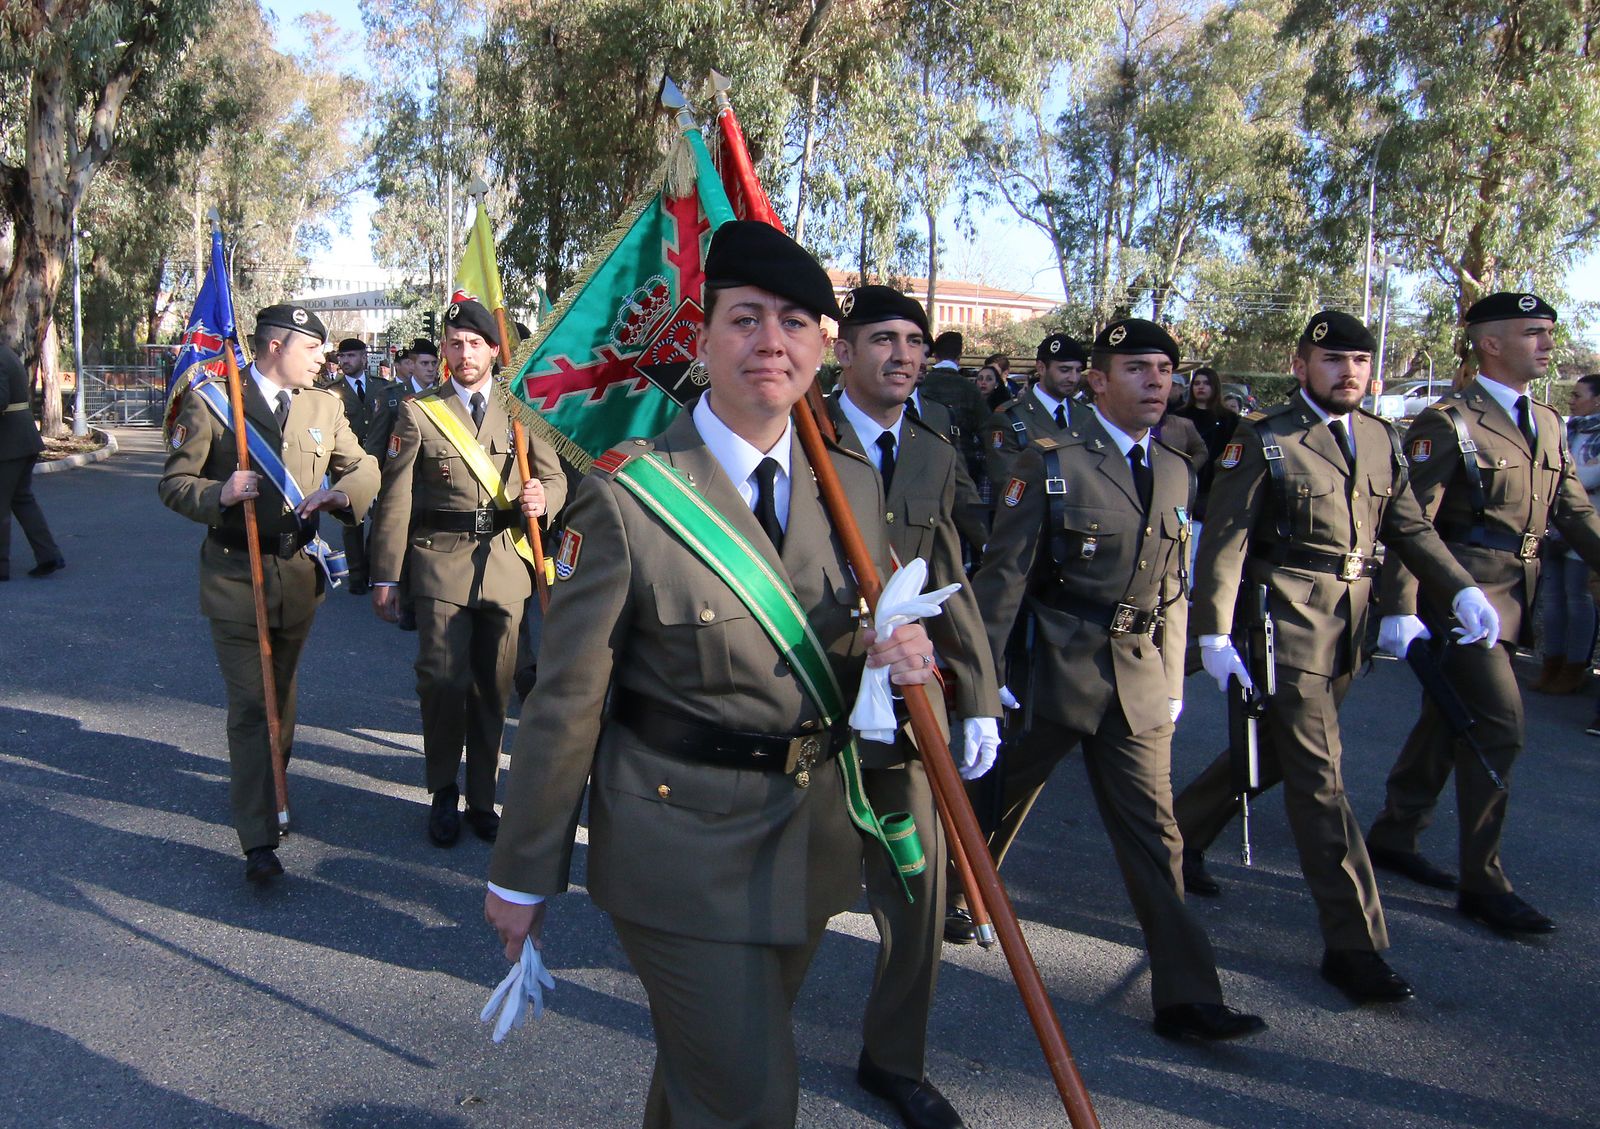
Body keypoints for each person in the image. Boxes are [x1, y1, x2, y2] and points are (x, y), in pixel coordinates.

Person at [483, 221, 939, 1129]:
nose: (772, 340)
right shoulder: (627, 493)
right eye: (745, 318)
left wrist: (903, 662)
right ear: (700, 340)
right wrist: (523, 871)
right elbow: (567, 698)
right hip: (679, 847)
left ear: (821, 348)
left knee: (703, 1083)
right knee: (751, 1101)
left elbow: (857, 647)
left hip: (808, 842)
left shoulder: (848, 488)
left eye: (796, 323)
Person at [957, 317, 1264, 1041]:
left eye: (1165, 368)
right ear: (1098, 379)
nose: (1159, 381)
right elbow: (1004, 580)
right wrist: (984, 678)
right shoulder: (1051, 461)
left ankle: (1188, 996)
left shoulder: (1177, 467)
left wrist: (1178, 670)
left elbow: (1174, 586)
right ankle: (945, 890)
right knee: (991, 799)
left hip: (1139, 674)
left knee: (1158, 838)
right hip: (1058, 669)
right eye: (1138, 368)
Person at [1175, 311, 1494, 1003]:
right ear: (1300, 365)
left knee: (1281, 749)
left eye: (1358, 359)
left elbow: (1408, 526)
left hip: (1347, 625)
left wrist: (1460, 589)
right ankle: (1355, 943)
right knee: (1320, 780)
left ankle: (1179, 834)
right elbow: (1226, 539)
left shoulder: (1381, 437)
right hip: (1284, 621)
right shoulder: (1264, 440)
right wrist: (1212, 633)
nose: (1348, 370)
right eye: (1331, 358)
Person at [1367, 292, 1600, 936]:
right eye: (1535, 333)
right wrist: (1401, 607)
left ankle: (1394, 830)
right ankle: (1484, 881)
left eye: (1550, 332)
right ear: (1490, 343)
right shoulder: (1450, 421)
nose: (1549, 343)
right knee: (1499, 727)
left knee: (1449, 719)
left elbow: (1573, 510)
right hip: (1462, 595)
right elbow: (1412, 521)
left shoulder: (1547, 422)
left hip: (1516, 594)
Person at [830, 285, 1000, 1129]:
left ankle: (892, 1057)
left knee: (919, 884)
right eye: (883, 339)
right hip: (811, 697)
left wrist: (978, 693)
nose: (903, 354)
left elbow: (949, 576)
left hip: (904, 706)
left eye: (914, 342)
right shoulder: (800, 439)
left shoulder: (932, 445)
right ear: (844, 351)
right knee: (788, 881)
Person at [159, 303, 379, 882]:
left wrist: (340, 495)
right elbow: (174, 484)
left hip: (298, 575)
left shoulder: (324, 405)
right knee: (253, 704)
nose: (322, 361)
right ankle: (258, 835)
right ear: (275, 347)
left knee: (281, 695)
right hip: (237, 576)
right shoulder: (213, 401)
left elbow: (365, 467)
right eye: (312, 350)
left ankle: (272, 787)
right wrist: (220, 493)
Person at [368, 301, 566, 846]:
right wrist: (386, 575)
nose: (463, 353)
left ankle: (483, 797)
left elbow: (556, 480)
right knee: (441, 681)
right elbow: (396, 498)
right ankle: (441, 791)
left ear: (495, 350)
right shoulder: (418, 411)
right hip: (440, 562)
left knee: (493, 689)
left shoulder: (522, 409)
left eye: (474, 343)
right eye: (454, 343)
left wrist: (541, 495)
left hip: (505, 564)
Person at [1530, 372, 1600, 695]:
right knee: (1552, 598)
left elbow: (1582, 476)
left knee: (1578, 597)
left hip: (1587, 528)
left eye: (1578, 395)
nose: (1571, 400)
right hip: (1555, 527)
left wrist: (1558, 477)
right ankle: (1551, 663)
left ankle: (1575, 667)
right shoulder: (1566, 429)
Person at [330, 338, 395, 594]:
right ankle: (356, 575)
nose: (345, 361)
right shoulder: (332, 391)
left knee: (380, 518)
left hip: (378, 463)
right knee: (351, 522)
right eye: (342, 357)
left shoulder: (382, 388)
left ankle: (370, 566)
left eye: (351, 356)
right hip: (346, 466)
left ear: (364, 358)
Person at [984, 332, 1084, 489]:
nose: (1073, 378)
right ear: (1041, 368)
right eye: (1065, 370)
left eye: (1078, 371)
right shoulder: (1009, 417)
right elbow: (1006, 479)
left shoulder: (1087, 415)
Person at [0, 342, 64, 580]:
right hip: (22, 440)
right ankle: (49, 555)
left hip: (9, 445)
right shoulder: (7, 353)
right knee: (23, 500)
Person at [1172, 365, 1240, 542]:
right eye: (1197, 383)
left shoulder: (1228, 419)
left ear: (1215, 387)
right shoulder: (1178, 416)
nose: (1201, 387)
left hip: (1214, 486)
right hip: (1182, 481)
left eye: (1206, 383)